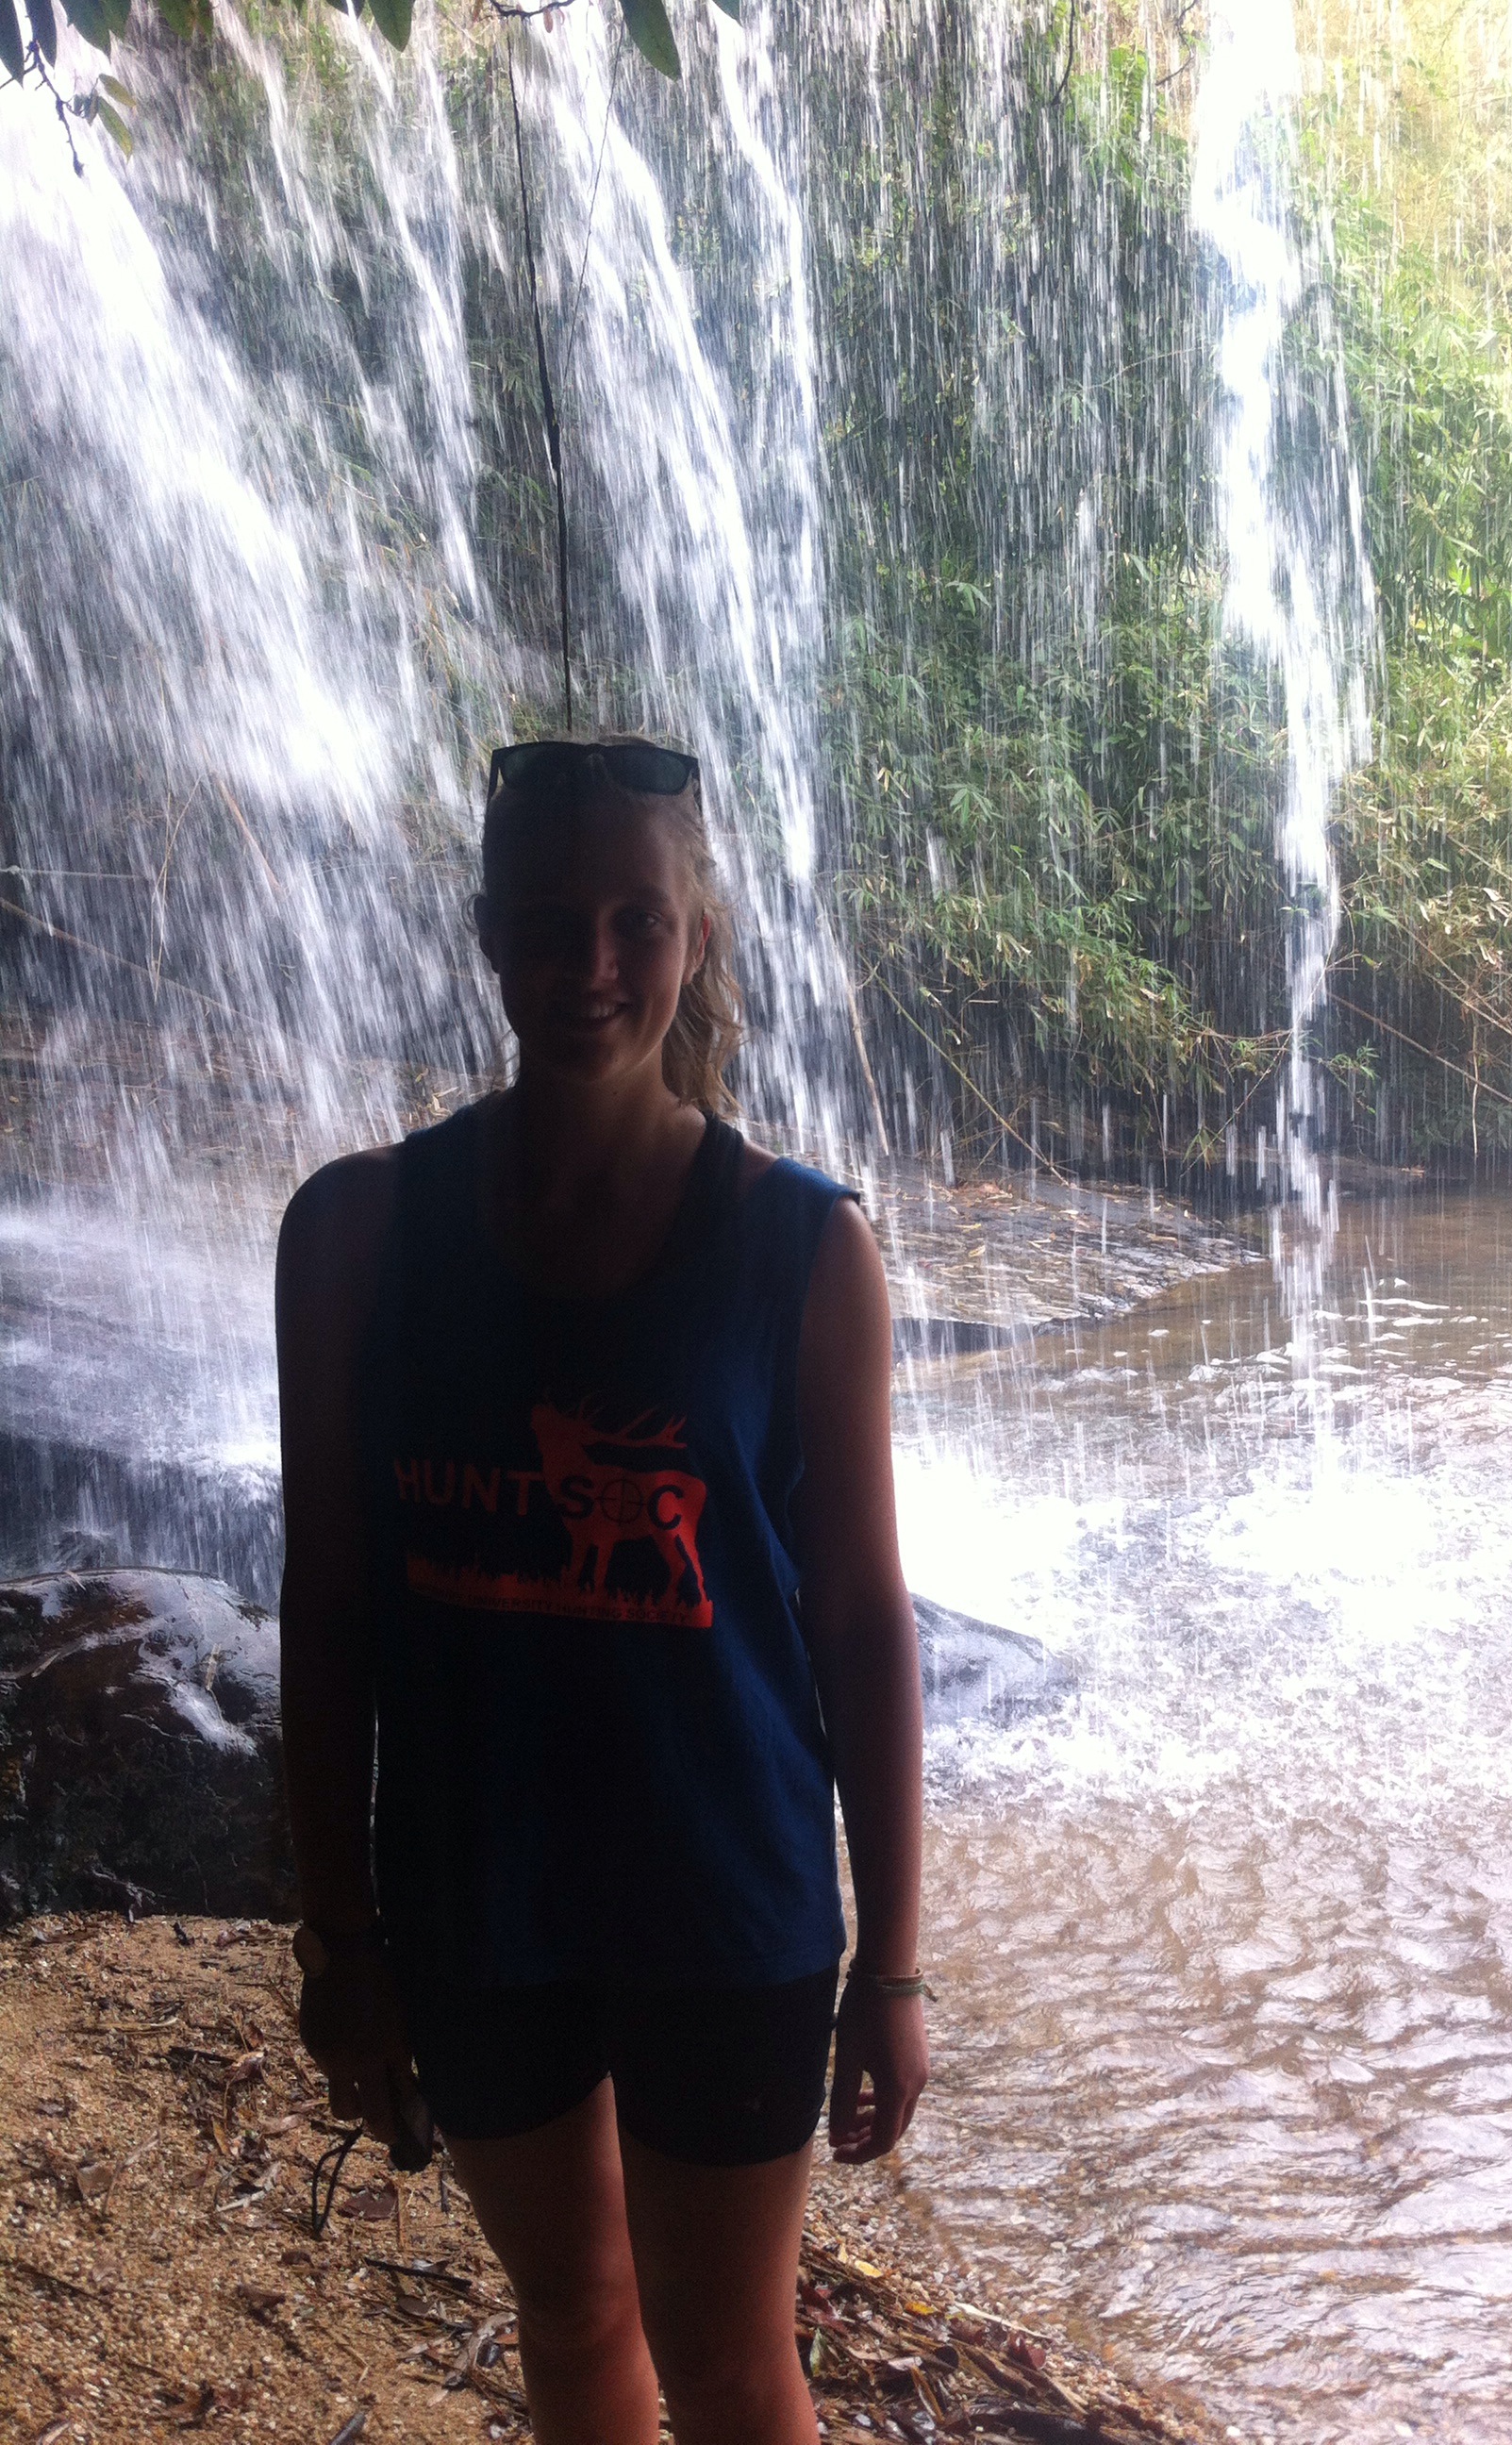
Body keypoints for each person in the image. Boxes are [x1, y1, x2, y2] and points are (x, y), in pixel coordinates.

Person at [275, 736, 927, 2445]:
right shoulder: (352, 1235)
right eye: (551, 922)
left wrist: (896, 1965)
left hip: (729, 1905)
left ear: (697, 937)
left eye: (637, 920)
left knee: (732, 2367)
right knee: (569, 2321)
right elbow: (325, 1609)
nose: (591, 966)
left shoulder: (806, 1248)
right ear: (487, 934)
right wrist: (339, 1933)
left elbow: (864, 1626)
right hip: (471, 1897)